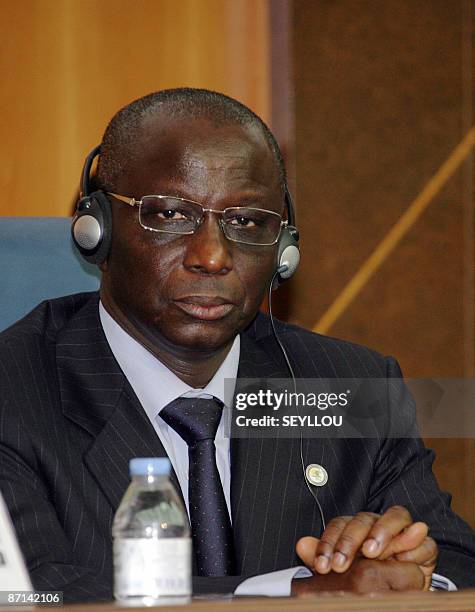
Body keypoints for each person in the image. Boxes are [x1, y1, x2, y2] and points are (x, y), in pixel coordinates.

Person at [0, 88, 474, 602]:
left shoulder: (348, 386)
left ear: (283, 252)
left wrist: (413, 569)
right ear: (99, 229)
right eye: (171, 215)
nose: (211, 256)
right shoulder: (14, 389)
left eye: (246, 222)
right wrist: (294, 594)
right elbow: (30, 592)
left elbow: (457, 559)